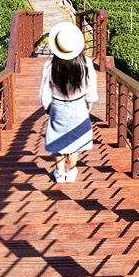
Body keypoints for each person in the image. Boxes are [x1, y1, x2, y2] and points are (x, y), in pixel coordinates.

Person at [39, 21, 98, 183]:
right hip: (79, 105)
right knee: (74, 142)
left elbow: (45, 93)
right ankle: (71, 171)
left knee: (58, 141)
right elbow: (91, 90)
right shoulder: (86, 63)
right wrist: (88, 105)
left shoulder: (49, 66)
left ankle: (59, 173)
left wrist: (47, 107)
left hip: (58, 107)